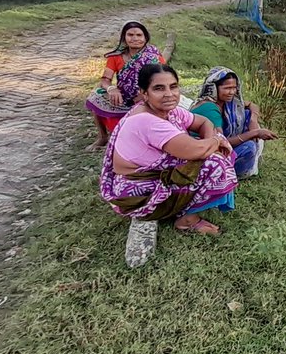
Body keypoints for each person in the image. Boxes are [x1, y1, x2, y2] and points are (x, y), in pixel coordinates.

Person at [99, 63, 238, 235]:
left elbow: (203, 122)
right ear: (144, 93)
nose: (169, 94)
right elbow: (196, 150)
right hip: (138, 195)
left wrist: (211, 141)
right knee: (216, 162)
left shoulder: (169, 112)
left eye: (173, 87)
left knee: (220, 151)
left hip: (154, 177)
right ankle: (187, 220)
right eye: (159, 88)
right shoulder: (146, 121)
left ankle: (189, 204)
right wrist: (215, 141)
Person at [85, 21, 165, 150]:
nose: (135, 38)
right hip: (123, 97)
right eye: (130, 35)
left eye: (139, 35)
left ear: (145, 38)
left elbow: (163, 78)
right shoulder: (115, 57)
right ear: (124, 37)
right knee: (96, 95)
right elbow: (105, 80)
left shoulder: (153, 56)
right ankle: (102, 137)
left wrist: (145, 94)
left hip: (147, 96)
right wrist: (112, 88)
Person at [191, 67, 277, 178]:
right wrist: (255, 133)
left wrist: (253, 120)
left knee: (246, 113)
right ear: (214, 88)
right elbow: (221, 142)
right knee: (249, 148)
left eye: (234, 88)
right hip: (207, 150)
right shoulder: (210, 108)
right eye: (227, 88)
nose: (232, 92)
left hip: (219, 141)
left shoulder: (225, 102)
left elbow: (251, 105)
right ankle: (226, 174)